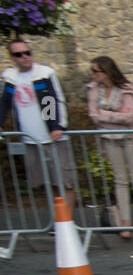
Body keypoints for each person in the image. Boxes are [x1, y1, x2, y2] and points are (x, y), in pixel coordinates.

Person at [1, 38, 78, 203]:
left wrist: (56, 126)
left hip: (52, 137)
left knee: (65, 182)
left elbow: (53, 99)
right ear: (13, 57)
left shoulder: (43, 74)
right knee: (48, 183)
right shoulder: (11, 78)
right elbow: (5, 103)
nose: (25, 57)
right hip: (30, 139)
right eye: (19, 54)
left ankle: (67, 223)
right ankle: (57, 221)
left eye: (27, 53)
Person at [85, 56, 133, 237]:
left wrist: (105, 114)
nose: (92, 74)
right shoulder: (92, 90)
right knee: (120, 179)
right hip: (109, 138)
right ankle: (126, 221)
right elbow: (93, 115)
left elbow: (128, 116)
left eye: (95, 71)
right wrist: (115, 114)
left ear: (106, 72)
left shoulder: (126, 89)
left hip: (130, 137)